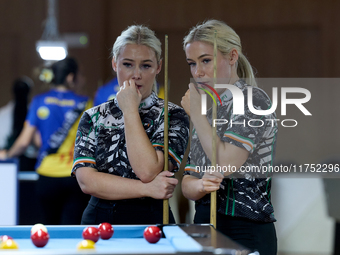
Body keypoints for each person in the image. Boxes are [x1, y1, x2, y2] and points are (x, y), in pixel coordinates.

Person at [72, 25, 189, 225]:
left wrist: (130, 110)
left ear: (158, 67)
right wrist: (147, 189)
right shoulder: (93, 116)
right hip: (98, 219)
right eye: (127, 64)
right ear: (115, 64)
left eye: (146, 65)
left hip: (152, 218)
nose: (136, 74)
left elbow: (147, 171)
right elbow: (86, 181)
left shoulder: (174, 115)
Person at [180, 20, 278, 255]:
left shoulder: (254, 100)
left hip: (245, 229)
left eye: (206, 60)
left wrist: (197, 114)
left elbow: (224, 163)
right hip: (204, 226)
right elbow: (187, 183)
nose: (198, 72)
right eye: (192, 64)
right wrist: (201, 185)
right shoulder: (208, 110)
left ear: (232, 56)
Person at [0, 57, 92, 225]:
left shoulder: (38, 101)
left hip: (46, 175)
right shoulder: (86, 104)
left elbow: (26, 142)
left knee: (48, 229)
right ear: (71, 78)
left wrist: (7, 154)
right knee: (72, 231)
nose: (83, 79)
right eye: (81, 75)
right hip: (76, 177)